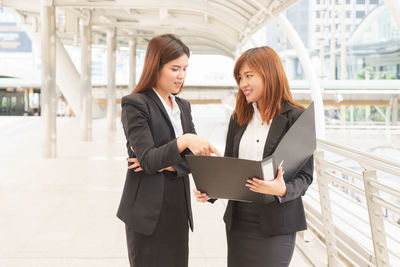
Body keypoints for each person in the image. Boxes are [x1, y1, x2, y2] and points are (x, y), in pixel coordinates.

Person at [194, 46, 314, 267]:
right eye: (240, 77)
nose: (243, 84)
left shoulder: (296, 117)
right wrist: (210, 191)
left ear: (270, 74)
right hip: (239, 220)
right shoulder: (239, 118)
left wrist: (283, 189)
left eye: (249, 76)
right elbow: (232, 166)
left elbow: (305, 177)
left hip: (276, 221)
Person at [117, 34, 220, 267]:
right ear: (156, 66)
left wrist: (170, 164)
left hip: (177, 209)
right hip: (146, 212)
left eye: (185, 68)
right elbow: (149, 159)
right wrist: (183, 142)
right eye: (175, 68)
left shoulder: (183, 106)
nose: (181, 75)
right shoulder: (136, 105)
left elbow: (192, 159)